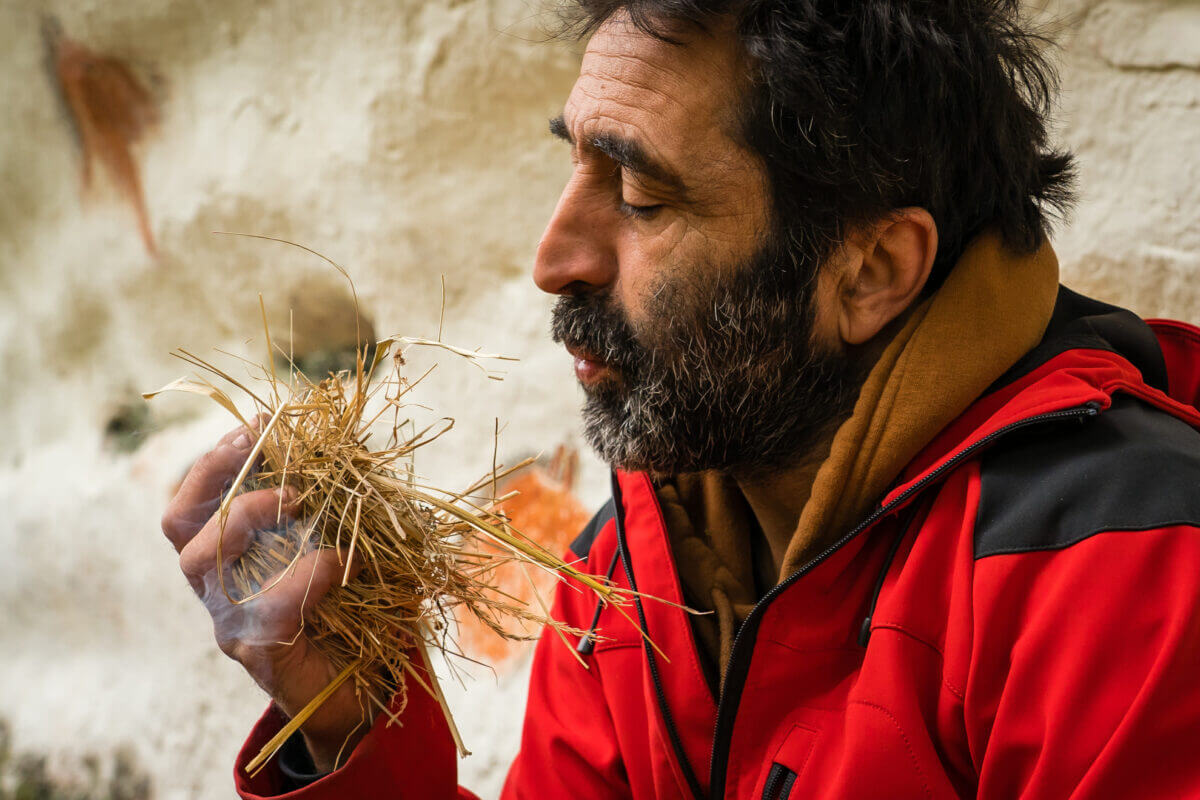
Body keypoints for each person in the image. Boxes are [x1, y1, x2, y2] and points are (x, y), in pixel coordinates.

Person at [161, 1, 1200, 797]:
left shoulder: (1133, 568)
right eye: (573, 166)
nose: (553, 258)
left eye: (644, 198)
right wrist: (354, 720)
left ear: (872, 268)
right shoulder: (630, 579)